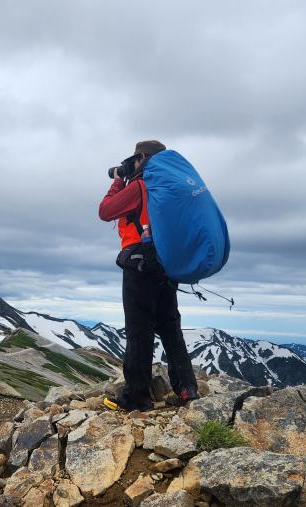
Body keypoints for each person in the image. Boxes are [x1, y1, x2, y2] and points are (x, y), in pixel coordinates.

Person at [98, 140, 199, 411]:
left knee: (139, 329)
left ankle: (136, 397)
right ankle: (187, 389)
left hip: (139, 264)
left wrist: (118, 181)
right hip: (167, 264)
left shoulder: (141, 186)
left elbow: (106, 211)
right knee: (170, 327)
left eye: (135, 160)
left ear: (142, 158)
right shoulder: (173, 188)